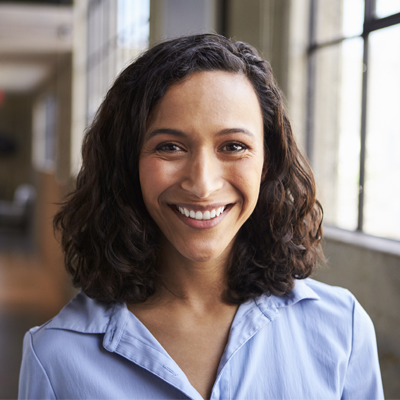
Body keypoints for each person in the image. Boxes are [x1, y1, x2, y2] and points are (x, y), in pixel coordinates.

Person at [18, 34, 384, 400]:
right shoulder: (55, 357)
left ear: (267, 162)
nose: (203, 184)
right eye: (170, 147)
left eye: (234, 146)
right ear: (128, 163)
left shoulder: (342, 331)